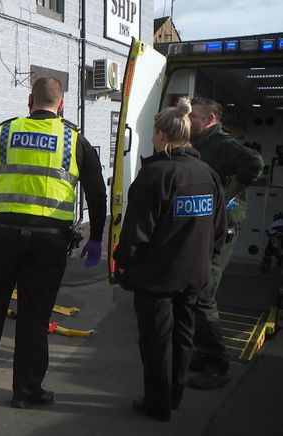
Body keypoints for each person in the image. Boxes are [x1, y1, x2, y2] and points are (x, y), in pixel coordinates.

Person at [0, 77, 107, 408]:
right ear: (60, 105)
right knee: (35, 315)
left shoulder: (4, 133)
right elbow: (96, 191)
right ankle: (26, 391)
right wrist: (97, 237)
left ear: (29, 100)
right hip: (49, 241)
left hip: (1, 236)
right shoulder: (74, 140)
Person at [114, 98, 226, 422]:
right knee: (183, 336)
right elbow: (219, 230)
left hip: (157, 277)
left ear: (162, 134)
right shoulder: (208, 174)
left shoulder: (154, 175)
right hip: (193, 274)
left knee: (156, 341)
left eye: (153, 131)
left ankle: (157, 402)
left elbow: (136, 233)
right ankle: (174, 396)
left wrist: (122, 265)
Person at [187, 97, 264, 390]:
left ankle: (218, 364)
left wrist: (227, 196)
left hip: (223, 227)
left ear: (210, 120)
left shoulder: (222, 143)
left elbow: (254, 163)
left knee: (205, 293)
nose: (189, 119)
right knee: (194, 289)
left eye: (193, 116)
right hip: (206, 225)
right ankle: (203, 353)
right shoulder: (201, 145)